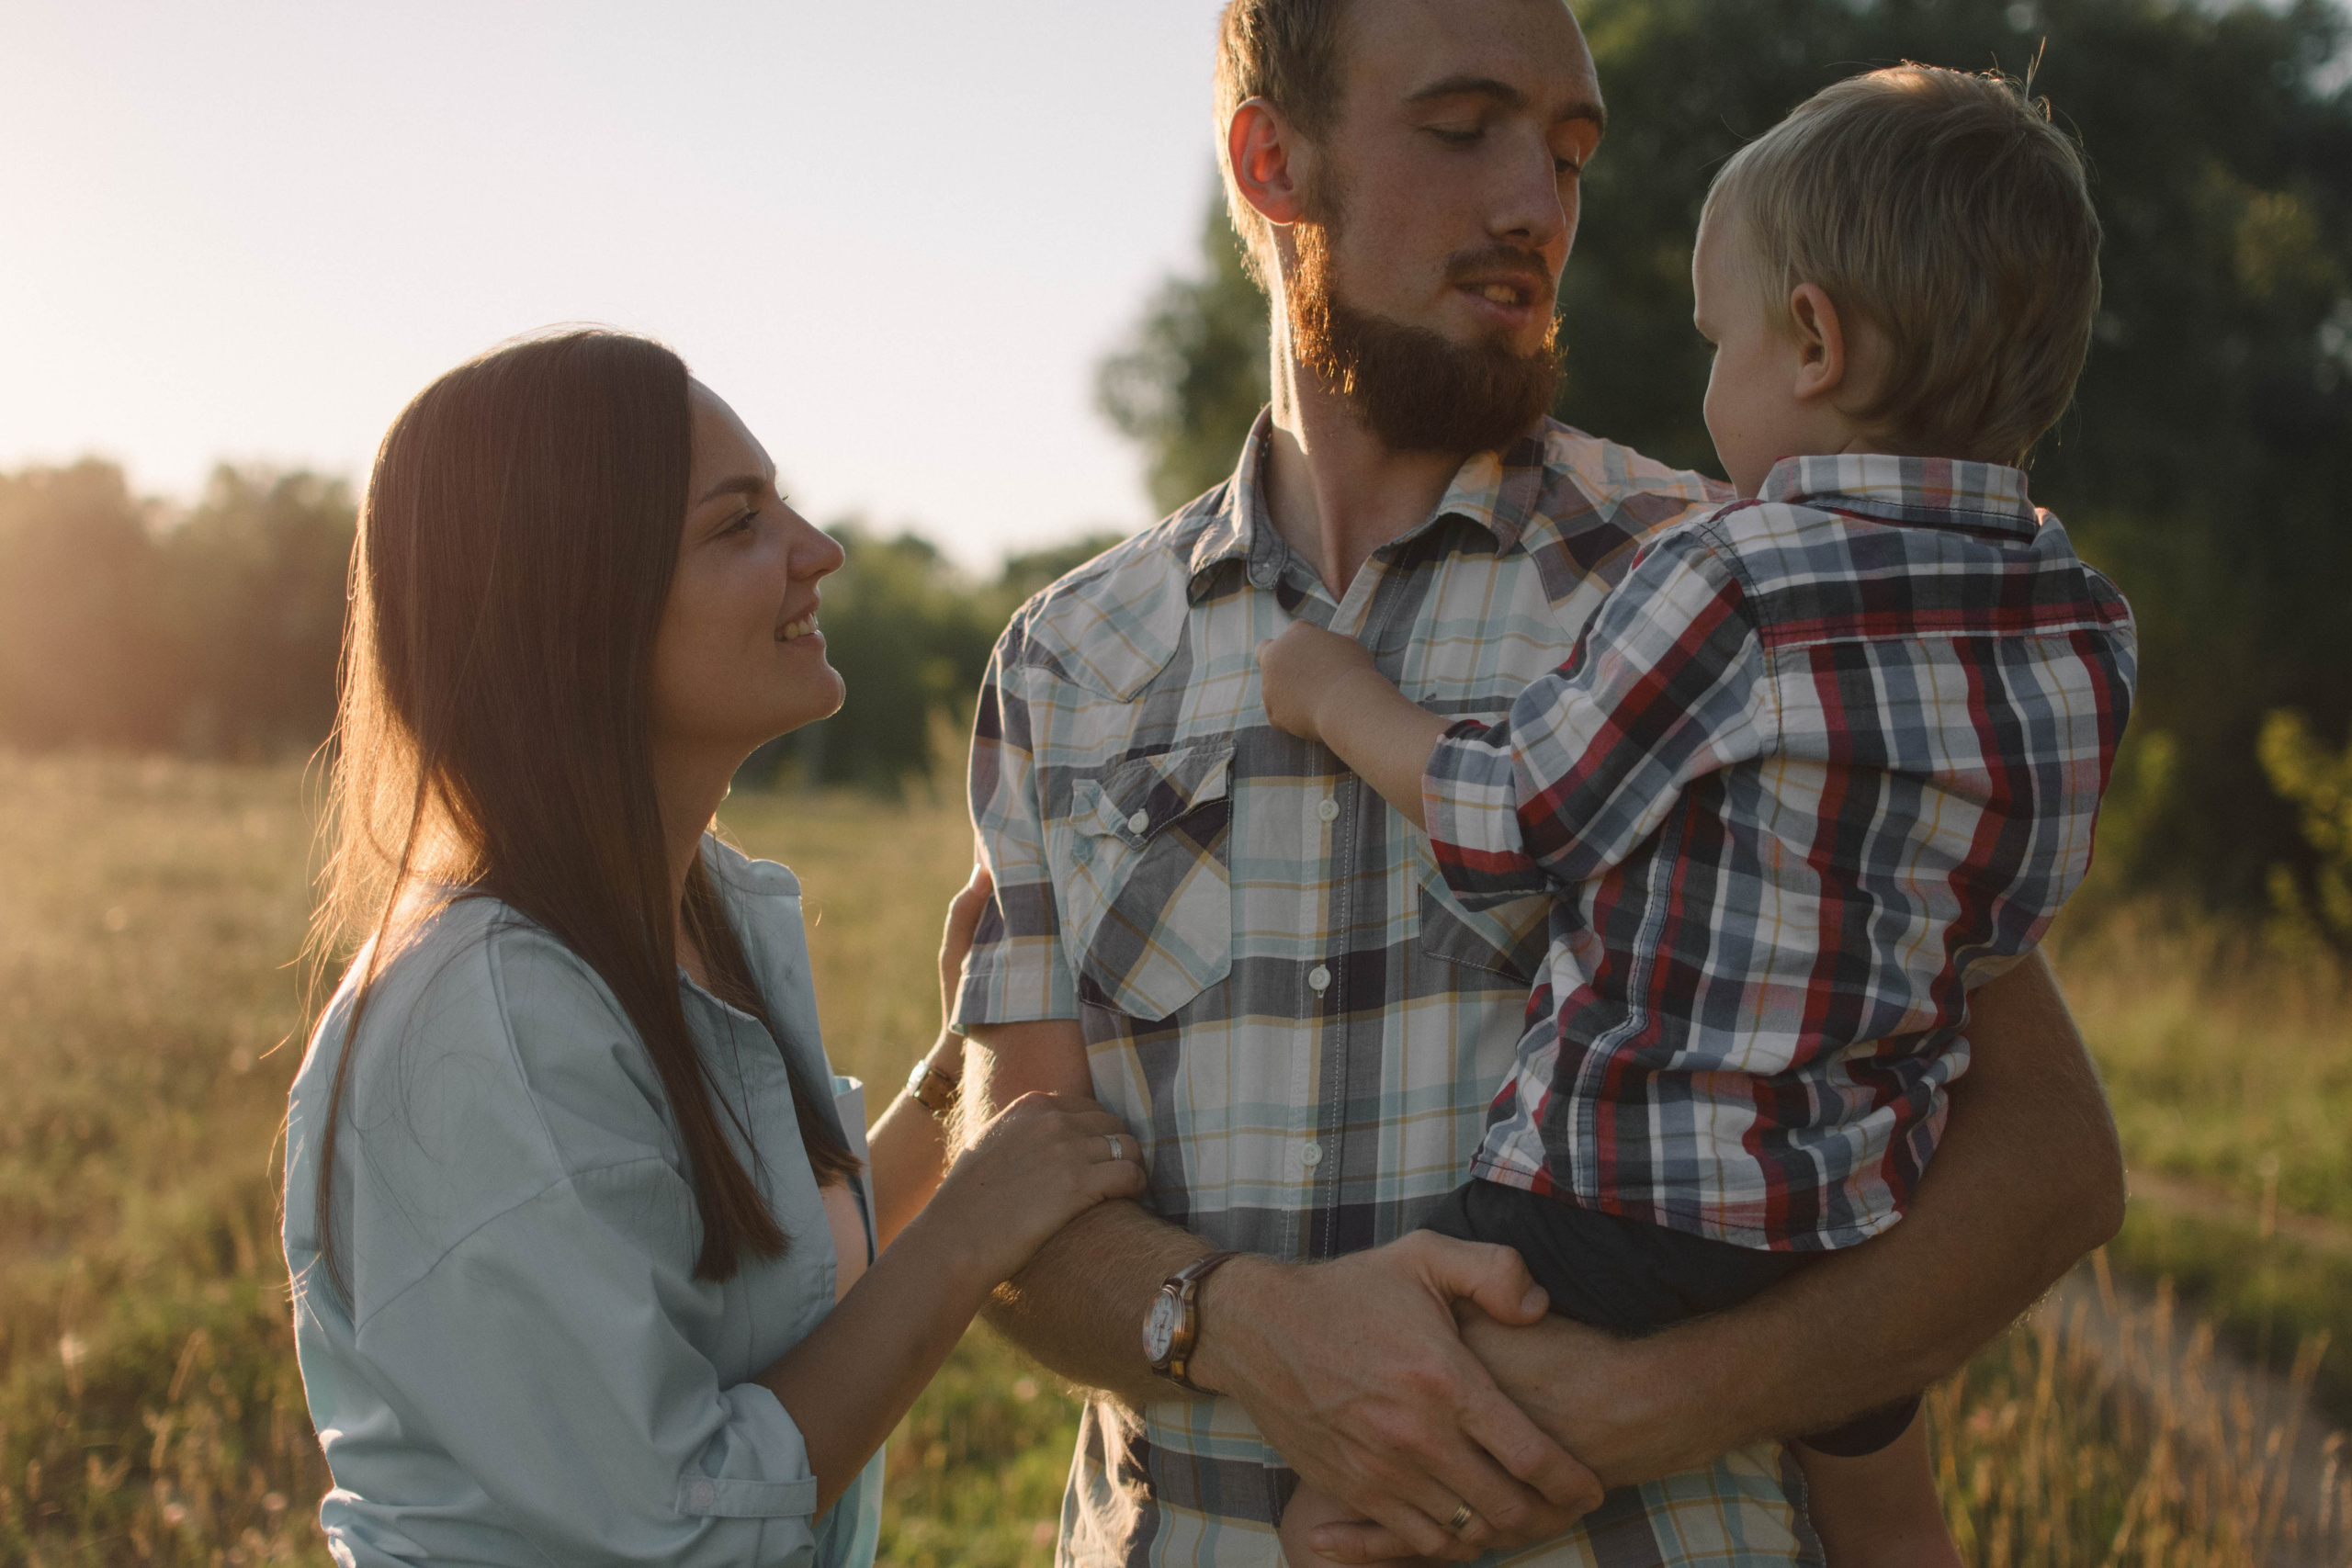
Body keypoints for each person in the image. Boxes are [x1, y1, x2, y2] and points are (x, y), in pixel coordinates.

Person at [952, 4, 2131, 1564]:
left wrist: (1663, 1398)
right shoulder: (1068, 662)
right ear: (1272, 160)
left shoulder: (1744, 581)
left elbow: (2045, 1165)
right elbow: (1008, 1204)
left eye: (1570, 152)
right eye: (1463, 130)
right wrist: (1246, 1333)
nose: (1538, 206)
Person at [278, 329, 1146, 1568]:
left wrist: (961, 1070)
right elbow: (684, 1530)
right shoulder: (488, 1020)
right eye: (739, 524)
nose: (820, 552)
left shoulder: (700, 916)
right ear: (579, 599)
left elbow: (801, 1282)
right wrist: (975, 1228)